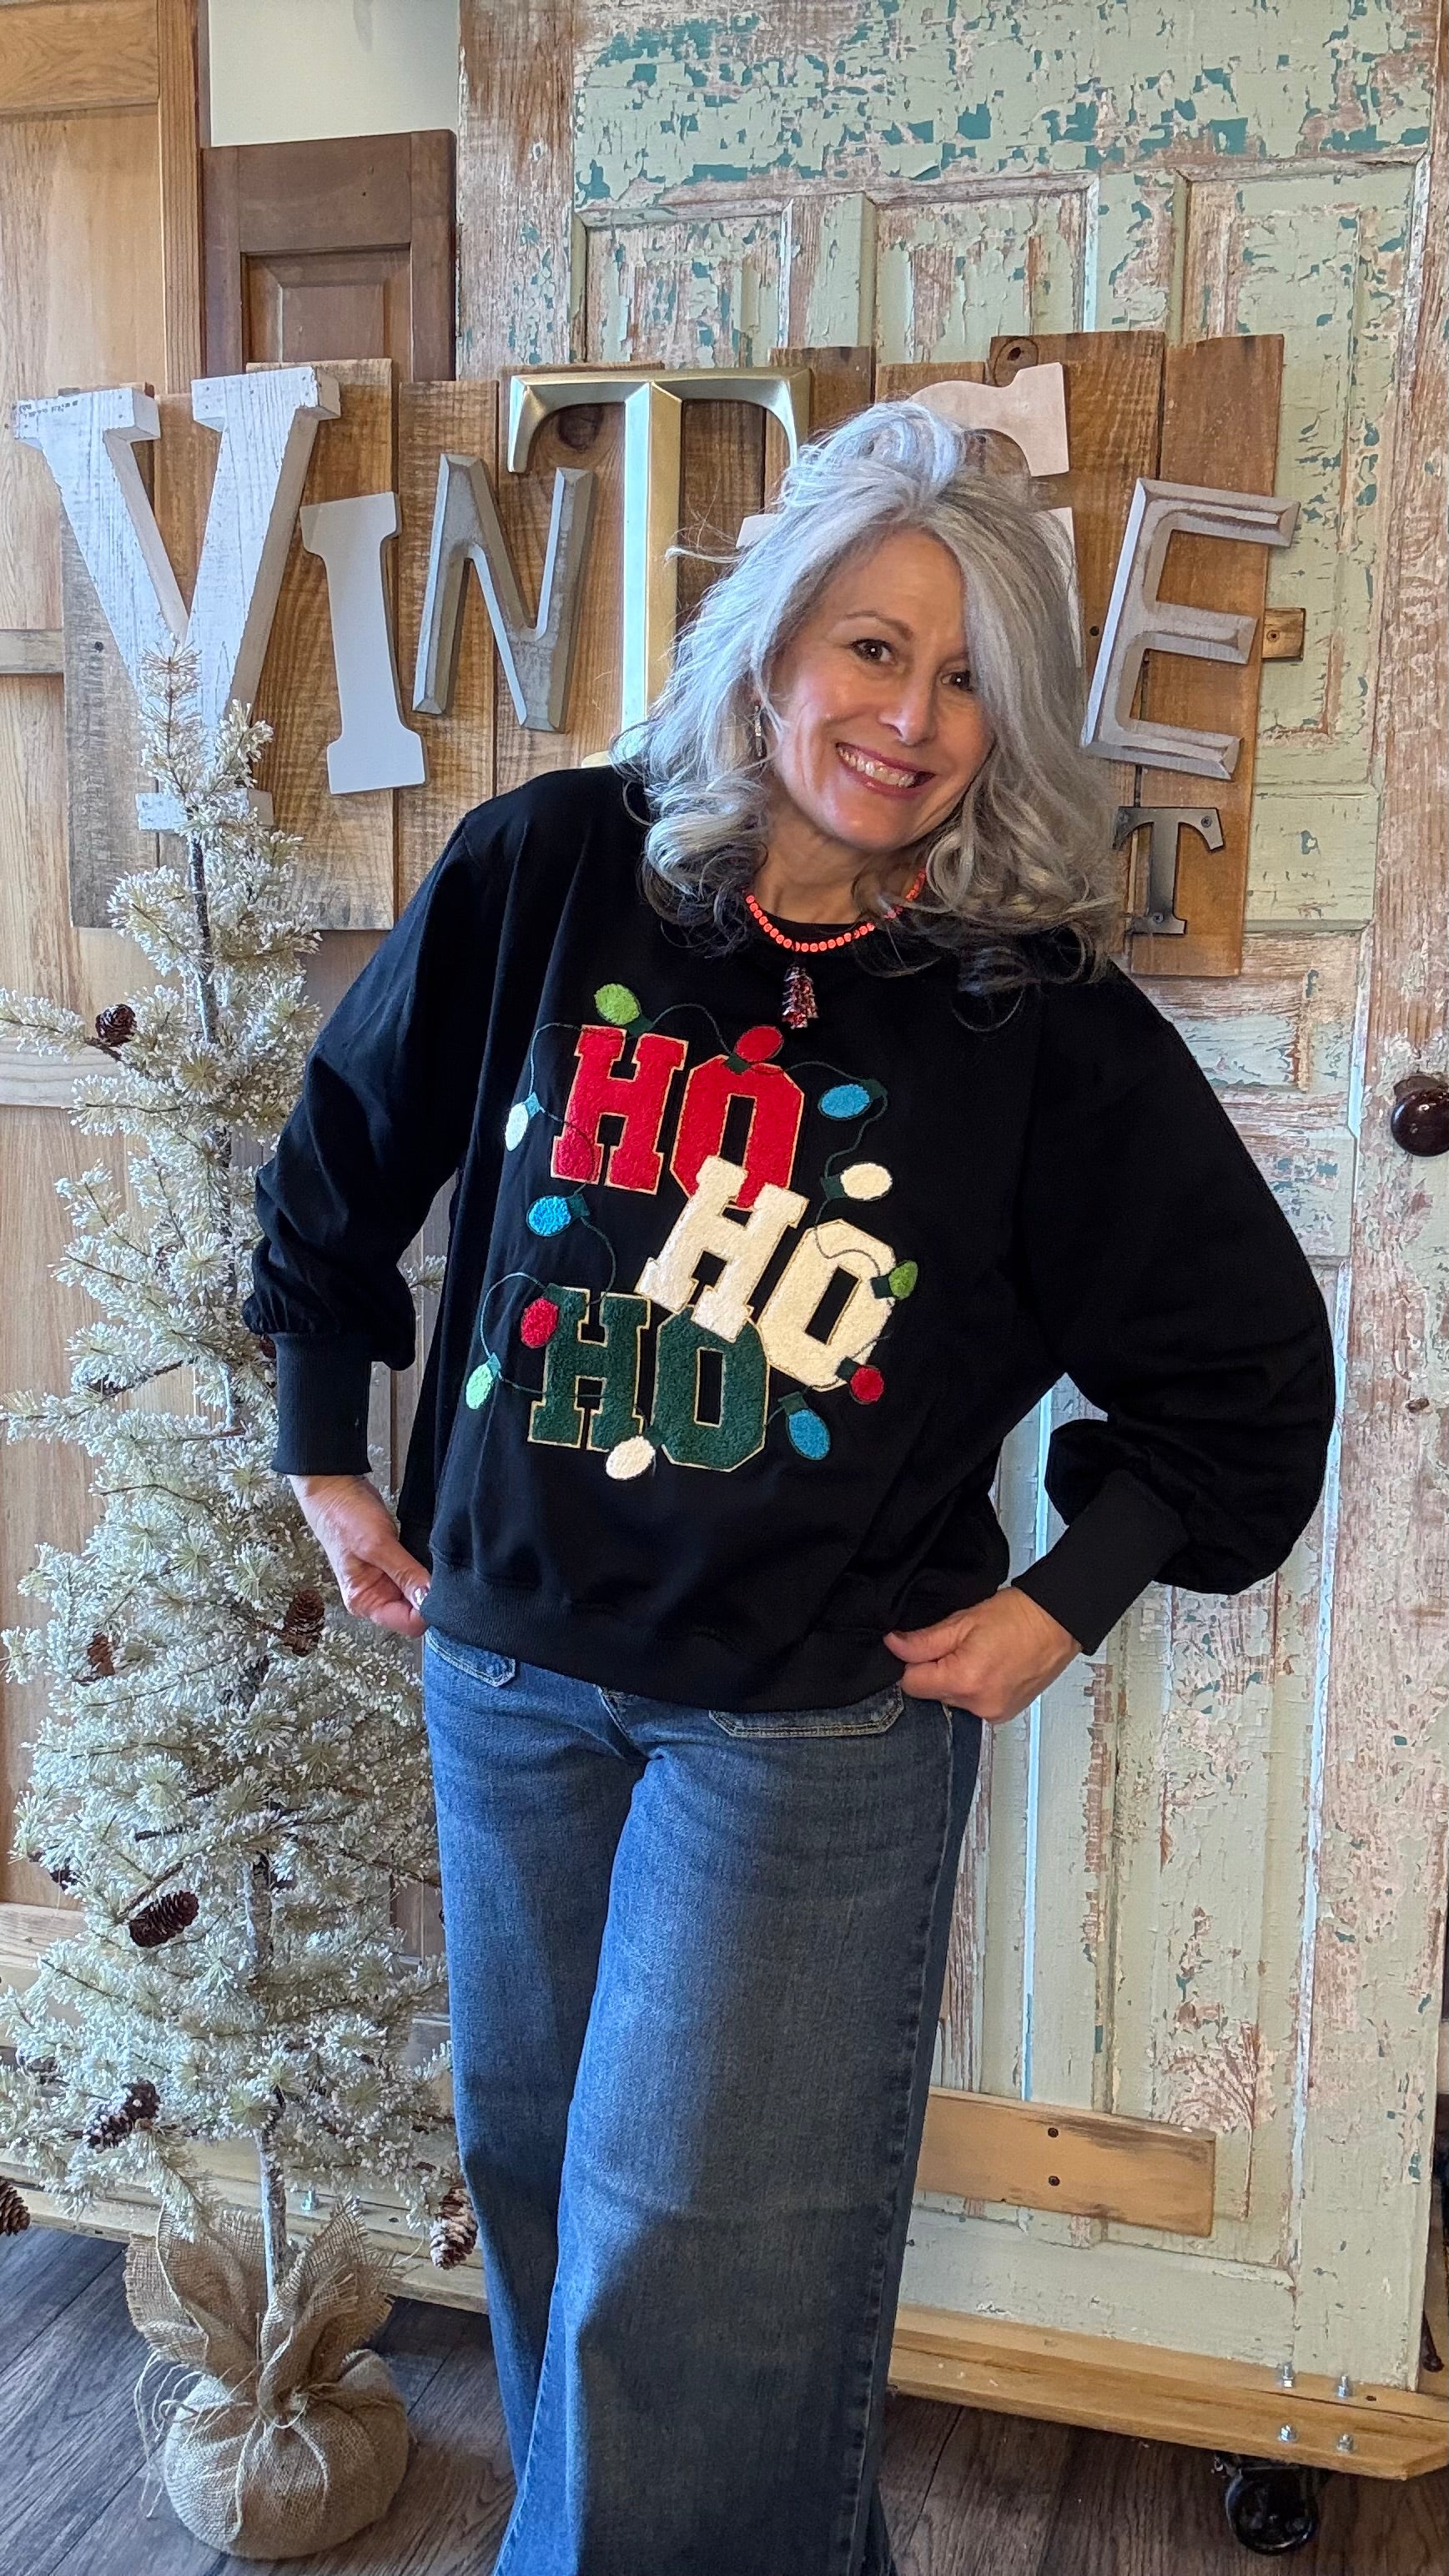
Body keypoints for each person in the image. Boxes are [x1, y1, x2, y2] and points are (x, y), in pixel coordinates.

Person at [243, 400, 1336, 2576]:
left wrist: (1077, 1581)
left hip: (808, 1721)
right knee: (564, 2204)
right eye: (869, 648)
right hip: (510, 1664)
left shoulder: (1023, 1016)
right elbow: (344, 1159)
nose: (909, 718)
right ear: (767, 649)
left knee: (701, 2265)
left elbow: (1242, 1371)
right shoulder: (553, 867)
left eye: (962, 679)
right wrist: (320, 1442)